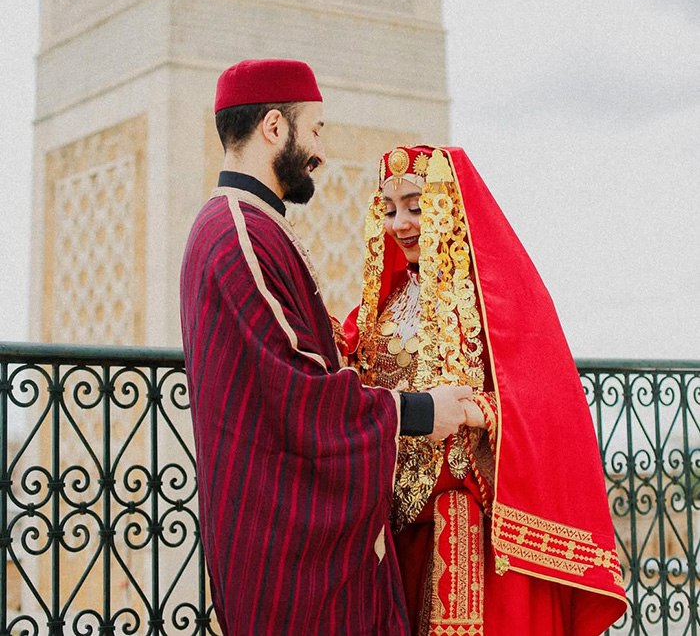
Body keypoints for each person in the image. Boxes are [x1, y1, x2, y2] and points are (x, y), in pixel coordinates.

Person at [180, 61, 474, 636]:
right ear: (274, 127)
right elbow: (300, 395)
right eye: (314, 130)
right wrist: (422, 410)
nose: (319, 151)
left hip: (263, 528)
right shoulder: (240, 234)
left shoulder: (241, 224)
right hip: (282, 550)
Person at [345, 145, 627, 636]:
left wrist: (478, 411)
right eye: (389, 210)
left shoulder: (495, 298)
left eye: (415, 206)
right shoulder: (385, 304)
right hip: (398, 535)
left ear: (448, 204)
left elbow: (548, 403)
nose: (400, 224)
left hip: (475, 543)